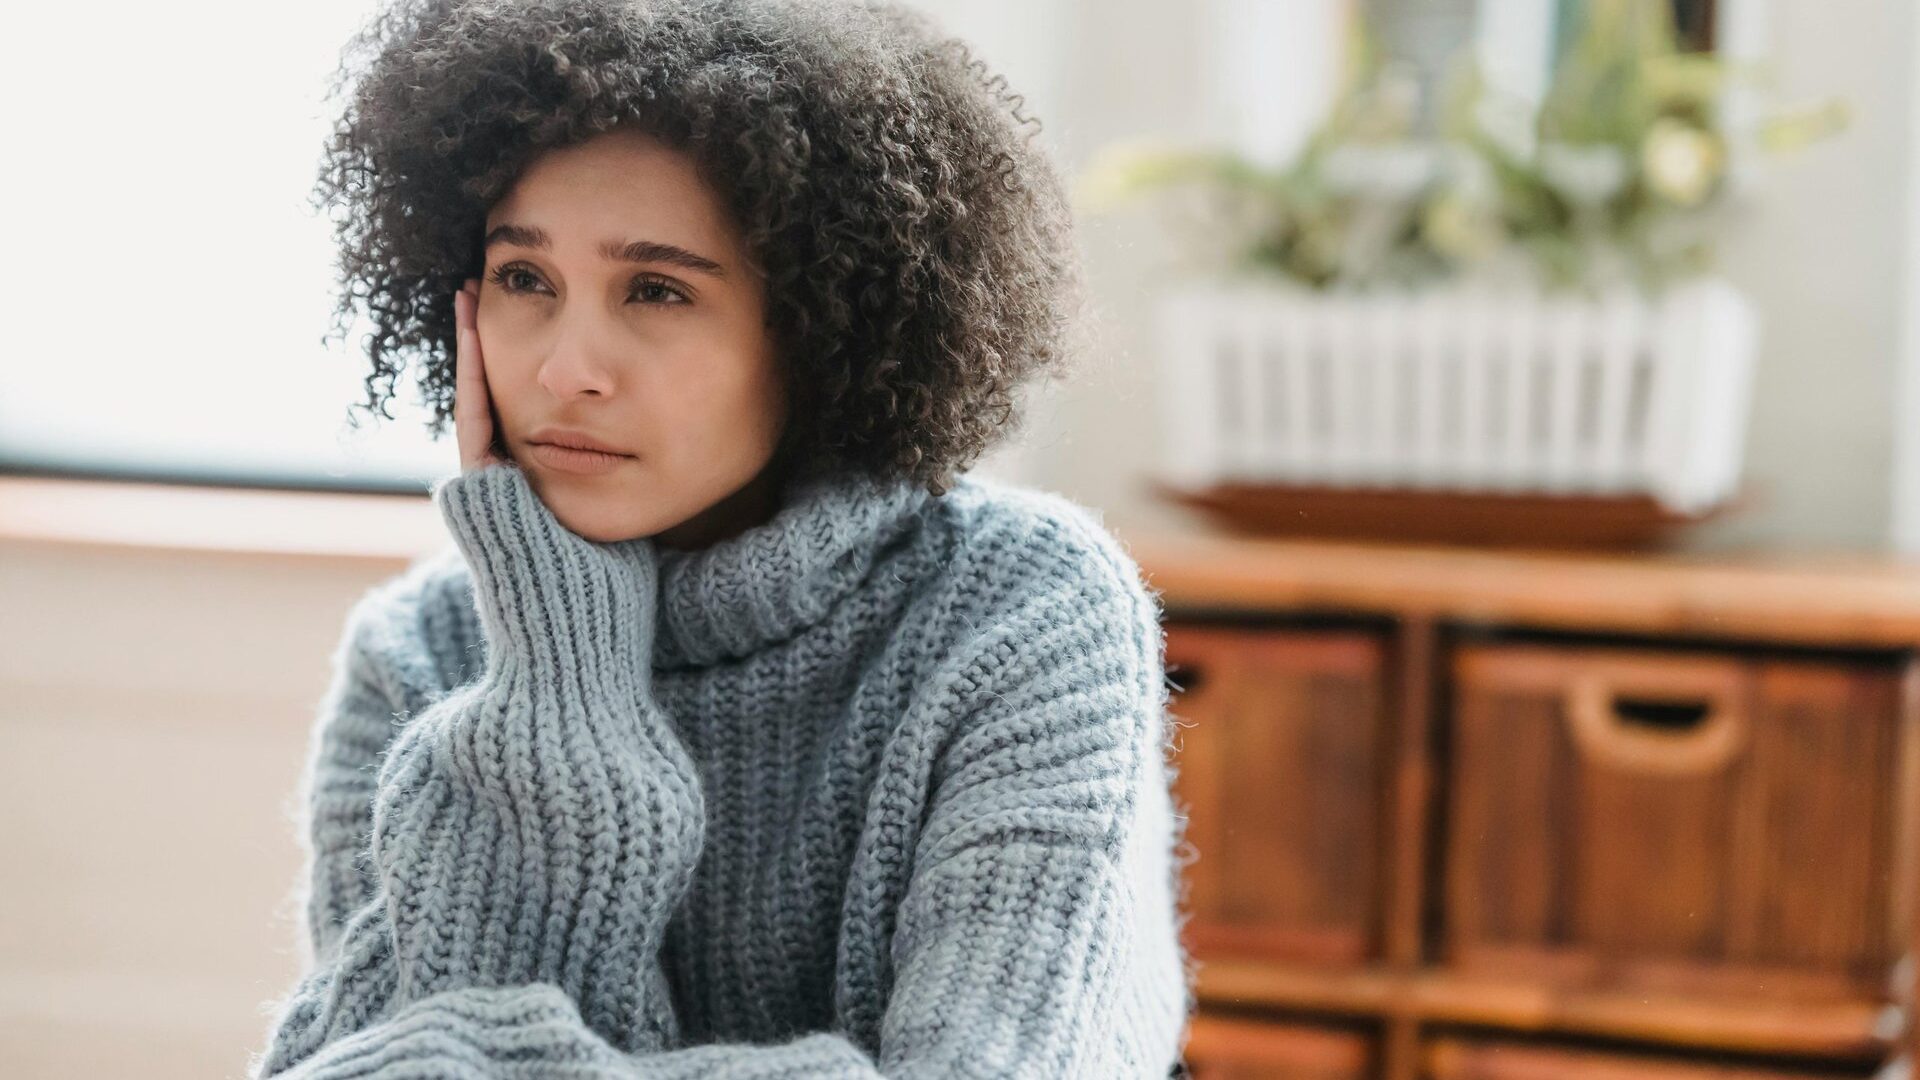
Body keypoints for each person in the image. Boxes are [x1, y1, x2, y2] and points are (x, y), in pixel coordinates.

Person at [248, 0, 1196, 1076]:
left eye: (655, 290)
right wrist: (557, 674)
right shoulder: (419, 655)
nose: (566, 369)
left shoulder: (1022, 611)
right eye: (525, 280)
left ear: (822, 323)